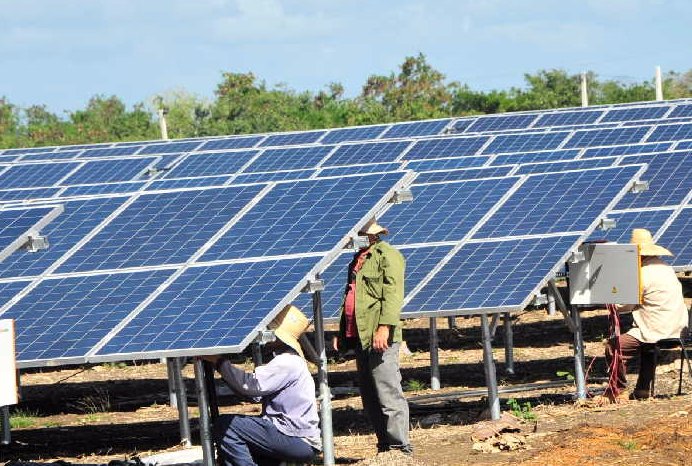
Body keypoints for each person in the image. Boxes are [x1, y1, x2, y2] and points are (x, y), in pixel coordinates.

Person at [204, 304, 321, 466]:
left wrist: (219, 362)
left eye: (270, 328)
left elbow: (252, 386)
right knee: (232, 453)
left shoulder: (287, 362)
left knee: (227, 426)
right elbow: (255, 396)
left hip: (293, 437)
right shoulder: (290, 361)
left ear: (279, 337)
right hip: (293, 437)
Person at [332, 218, 411, 454]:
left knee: (387, 392)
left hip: (380, 337)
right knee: (370, 395)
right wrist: (341, 333)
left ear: (372, 235)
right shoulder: (357, 260)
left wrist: (384, 327)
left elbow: (393, 295)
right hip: (361, 337)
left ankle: (401, 448)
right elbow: (352, 299)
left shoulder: (388, 256)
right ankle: (384, 447)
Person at [603, 228, 688, 402]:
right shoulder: (666, 268)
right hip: (678, 329)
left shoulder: (642, 274)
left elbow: (625, 305)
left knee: (613, 347)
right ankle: (642, 390)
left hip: (656, 330)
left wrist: (609, 299)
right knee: (648, 347)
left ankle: (617, 390)